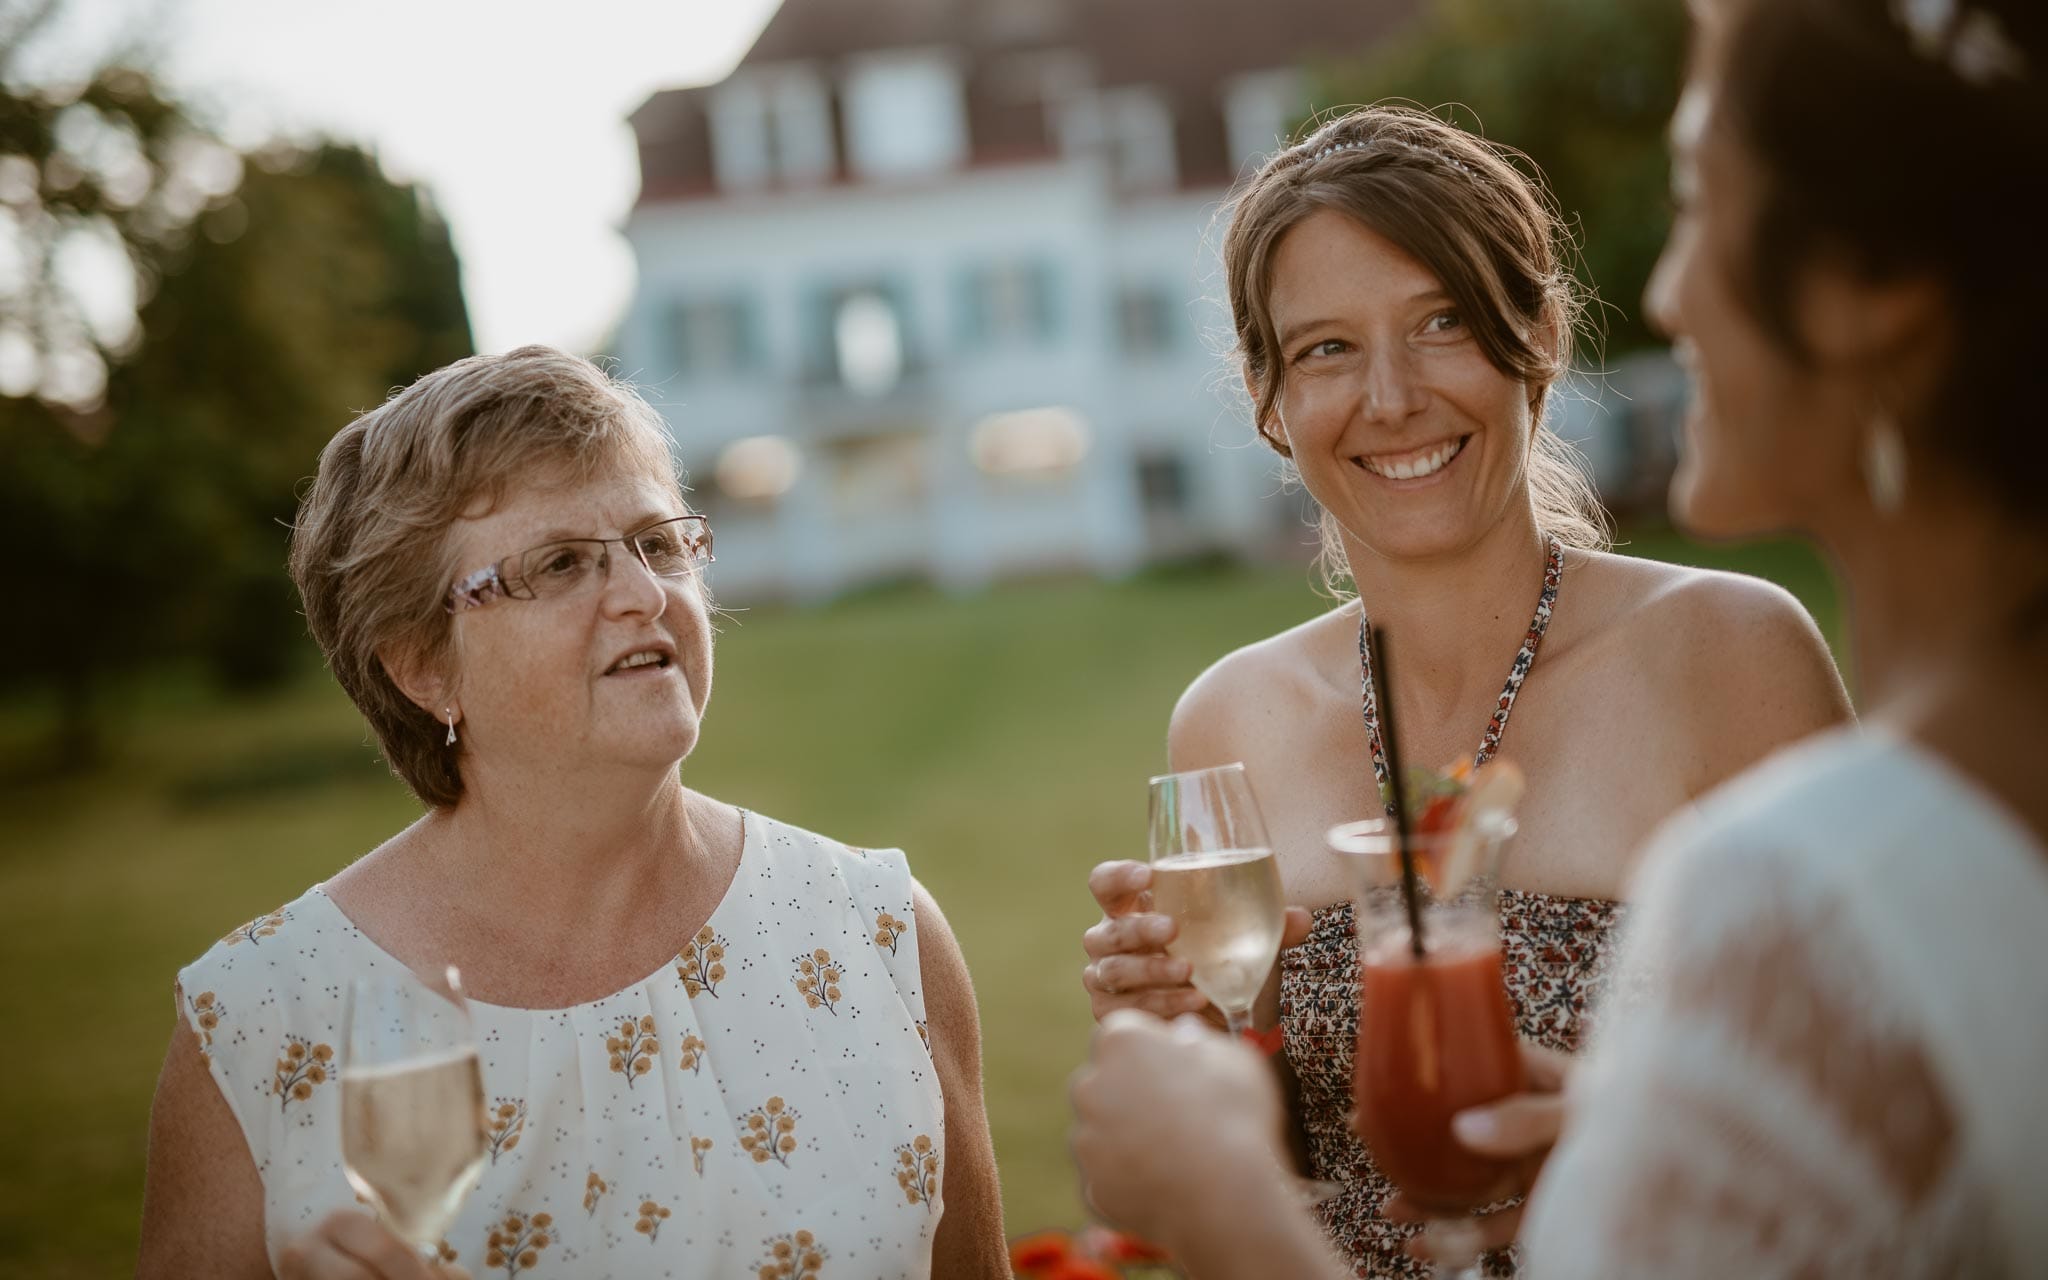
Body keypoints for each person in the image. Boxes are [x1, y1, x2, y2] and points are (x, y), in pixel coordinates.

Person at [1073, 0, 2048, 1275]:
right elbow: (1273, 1142)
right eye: (1324, 349)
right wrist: (1192, 1039)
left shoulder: (1729, 652)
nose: (1388, 397)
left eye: (1439, 322)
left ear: (1537, 335)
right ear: (1269, 402)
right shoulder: (1228, 721)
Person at [137, 347, 1008, 1279]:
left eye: (659, 543)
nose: (644, 595)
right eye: (559, 565)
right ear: (423, 666)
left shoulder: (878, 934)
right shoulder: (265, 1021)